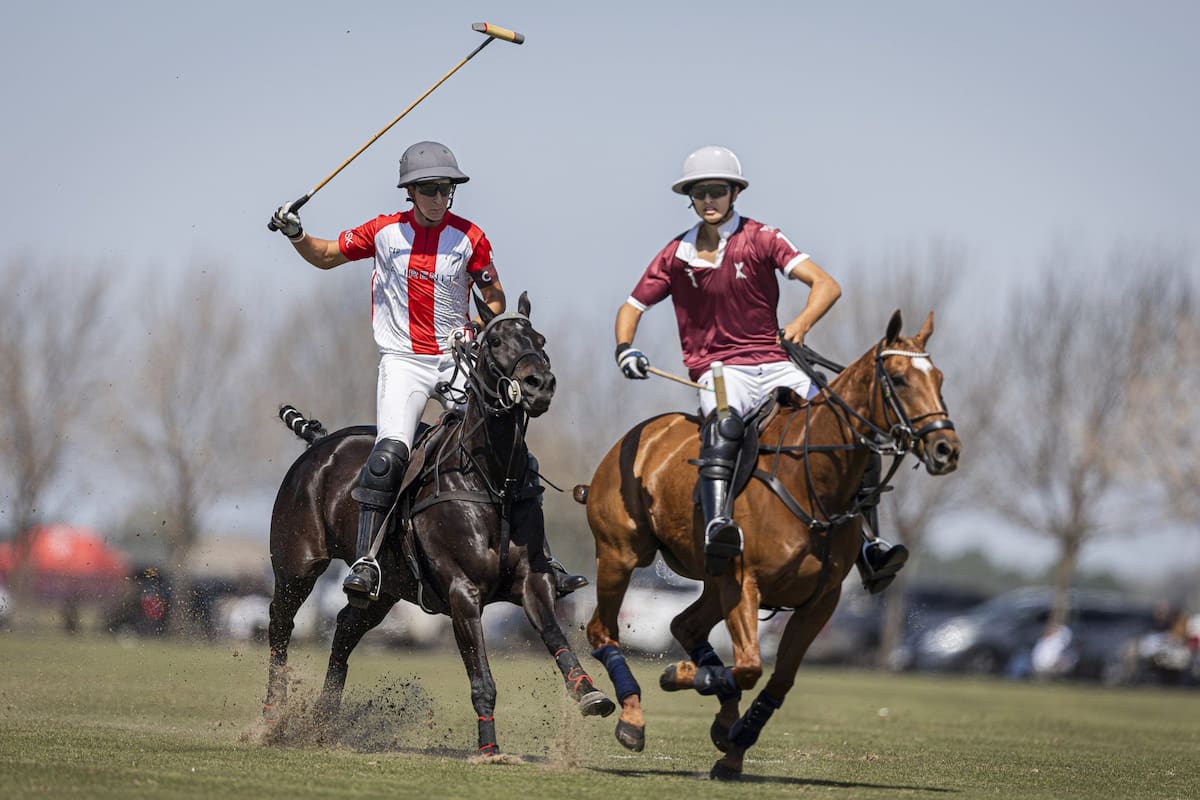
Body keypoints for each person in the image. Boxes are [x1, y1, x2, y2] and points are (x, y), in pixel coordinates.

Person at [271, 140, 586, 606]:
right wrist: (297, 234)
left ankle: (544, 558)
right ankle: (366, 562)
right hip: (404, 363)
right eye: (431, 190)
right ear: (411, 192)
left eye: (447, 190)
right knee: (388, 454)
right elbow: (325, 255)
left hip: (456, 359)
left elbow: (494, 299)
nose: (441, 199)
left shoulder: (470, 238)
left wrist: (476, 327)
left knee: (505, 444)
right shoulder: (382, 233)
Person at [612, 144, 908, 588]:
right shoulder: (676, 254)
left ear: (734, 193)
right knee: (724, 427)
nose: (709, 201)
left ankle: (869, 542)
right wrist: (625, 348)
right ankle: (717, 525)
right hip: (719, 369)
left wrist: (801, 324)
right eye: (699, 194)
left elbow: (826, 285)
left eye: (717, 191)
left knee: (847, 426)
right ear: (690, 199)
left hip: (774, 361)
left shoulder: (764, 238)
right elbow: (632, 306)